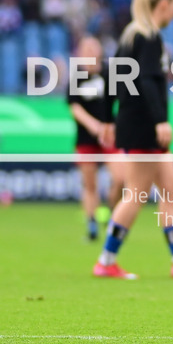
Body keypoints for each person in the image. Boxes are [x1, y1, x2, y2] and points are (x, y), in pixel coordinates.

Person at [93, 0, 173, 280]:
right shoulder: (148, 38)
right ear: (163, 5)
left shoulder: (130, 36)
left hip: (134, 123)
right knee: (135, 194)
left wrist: (108, 118)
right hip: (143, 125)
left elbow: (110, 80)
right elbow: (146, 81)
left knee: (171, 187)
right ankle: (106, 261)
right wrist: (160, 120)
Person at [68, 36, 124, 241]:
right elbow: (75, 107)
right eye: (86, 49)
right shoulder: (77, 77)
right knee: (90, 185)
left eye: (93, 48)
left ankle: (113, 216)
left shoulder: (109, 73)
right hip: (86, 138)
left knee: (120, 178)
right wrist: (94, 126)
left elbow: (123, 101)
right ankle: (91, 224)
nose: (90, 52)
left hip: (110, 137)